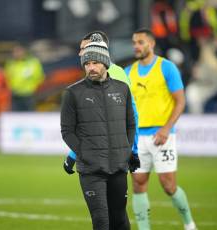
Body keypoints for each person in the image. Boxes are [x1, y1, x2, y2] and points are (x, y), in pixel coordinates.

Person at [60, 33, 140, 230]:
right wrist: (83, 153)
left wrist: (128, 150)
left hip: (118, 166)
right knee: (101, 222)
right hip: (91, 169)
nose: (91, 67)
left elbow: (131, 121)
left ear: (105, 62)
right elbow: (67, 131)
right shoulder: (73, 93)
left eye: (95, 62)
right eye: (87, 63)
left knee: (120, 219)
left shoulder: (121, 86)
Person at [125, 29, 197, 230]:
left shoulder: (167, 67)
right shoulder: (127, 72)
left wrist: (166, 129)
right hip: (138, 139)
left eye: (140, 42)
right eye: (134, 42)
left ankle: (189, 224)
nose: (136, 46)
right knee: (138, 183)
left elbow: (180, 101)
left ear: (151, 43)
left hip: (162, 136)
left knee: (168, 185)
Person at [63, 30, 139, 175]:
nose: (80, 54)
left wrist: (133, 150)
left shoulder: (114, 76)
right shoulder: (97, 75)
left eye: (83, 49)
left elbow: (132, 115)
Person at [4, 43, 45, 111]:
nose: (16, 53)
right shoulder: (10, 63)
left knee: (29, 116)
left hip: (29, 95)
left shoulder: (33, 62)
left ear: (24, 51)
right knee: (16, 116)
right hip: (15, 94)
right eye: (14, 52)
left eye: (18, 51)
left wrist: (33, 88)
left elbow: (40, 77)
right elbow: (7, 78)